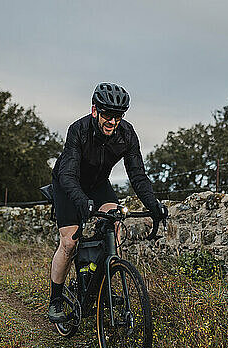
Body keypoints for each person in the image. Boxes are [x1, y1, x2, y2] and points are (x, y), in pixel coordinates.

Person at [48, 82, 168, 323]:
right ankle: (56, 299)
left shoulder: (127, 134)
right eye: (107, 115)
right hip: (68, 183)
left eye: (118, 116)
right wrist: (82, 201)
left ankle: (97, 281)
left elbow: (137, 175)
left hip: (98, 184)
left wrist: (153, 204)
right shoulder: (78, 130)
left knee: (116, 226)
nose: (112, 121)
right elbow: (68, 173)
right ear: (95, 111)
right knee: (69, 243)